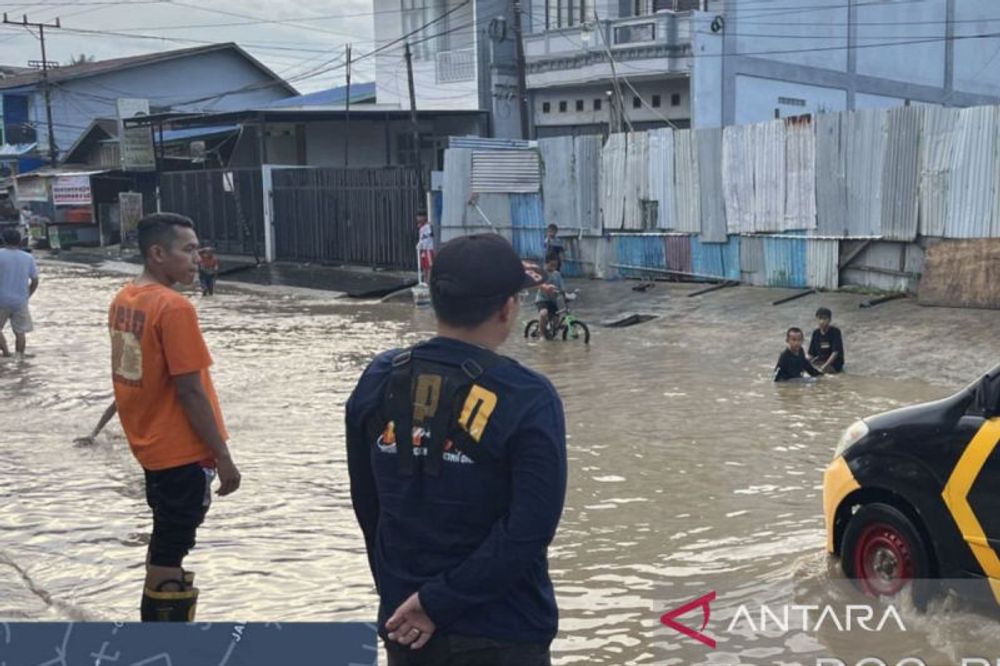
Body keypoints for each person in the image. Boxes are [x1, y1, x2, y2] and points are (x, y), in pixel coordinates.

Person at [346, 233, 565, 666]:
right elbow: (529, 529)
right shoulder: (527, 395)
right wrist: (436, 602)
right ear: (507, 307)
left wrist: (403, 596)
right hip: (500, 630)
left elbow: (368, 503)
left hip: (404, 625)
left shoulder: (379, 377)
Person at [108, 213, 241, 621]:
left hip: (150, 447)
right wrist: (223, 457)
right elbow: (189, 389)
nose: (197, 258)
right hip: (182, 451)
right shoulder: (174, 307)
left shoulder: (125, 299)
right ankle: (164, 643)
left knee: (165, 541)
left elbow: (131, 374)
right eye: (187, 250)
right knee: (171, 549)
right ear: (158, 253)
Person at [0, 228, 39, 358]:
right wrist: (27, 295)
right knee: (20, 332)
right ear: (20, 241)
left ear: (3, 240)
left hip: (1, 299)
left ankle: (5, 353)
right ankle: (19, 357)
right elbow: (34, 280)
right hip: (20, 300)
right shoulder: (28, 258)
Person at [535, 253, 565, 340]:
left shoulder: (557, 274)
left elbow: (562, 288)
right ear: (546, 263)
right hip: (542, 300)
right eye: (551, 265)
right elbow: (538, 284)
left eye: (555, 266)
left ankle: (551, 335)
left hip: (553, 301)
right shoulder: (541, 273)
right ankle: (542, 335)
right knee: (543, 313)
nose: (553, 268)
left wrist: (567, 295)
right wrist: (545, 287)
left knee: (556, 322)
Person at [808, 307, 845, 373]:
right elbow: (811, 354)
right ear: (816, 319)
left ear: (829, 320)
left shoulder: (835, 332)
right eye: (820, 318)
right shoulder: (815, 333)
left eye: (825, 319)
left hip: (834, 364)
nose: (822, 321)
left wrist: (824, 367)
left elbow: (835, 352)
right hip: (820, 361)